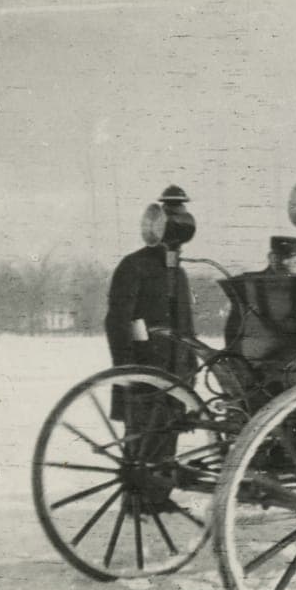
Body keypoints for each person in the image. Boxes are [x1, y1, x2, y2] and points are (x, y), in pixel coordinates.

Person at [104, 188, 197, 509]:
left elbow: (187, 327)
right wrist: (126, 366)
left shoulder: (179, 273)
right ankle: (137, 498)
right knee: (141, 435)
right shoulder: (134, 267)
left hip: (175, 372)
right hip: (144, 369)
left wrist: (190, 369)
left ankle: (158, 496)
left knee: (167, 433)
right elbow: (118, 320)